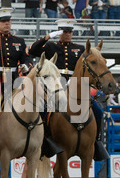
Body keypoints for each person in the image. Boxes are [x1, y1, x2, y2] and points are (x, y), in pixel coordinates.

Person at [29, 18, 108, 160]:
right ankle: (45, 143)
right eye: (64, 32)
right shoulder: (51, 47)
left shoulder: (80, 49)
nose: (67, 34)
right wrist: (47, 37)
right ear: (59, 32)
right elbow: (32, 51)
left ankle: (96, 143)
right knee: (43, 110)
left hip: (76, 85)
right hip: (55, 86)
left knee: (97, 111)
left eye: (70, 32)